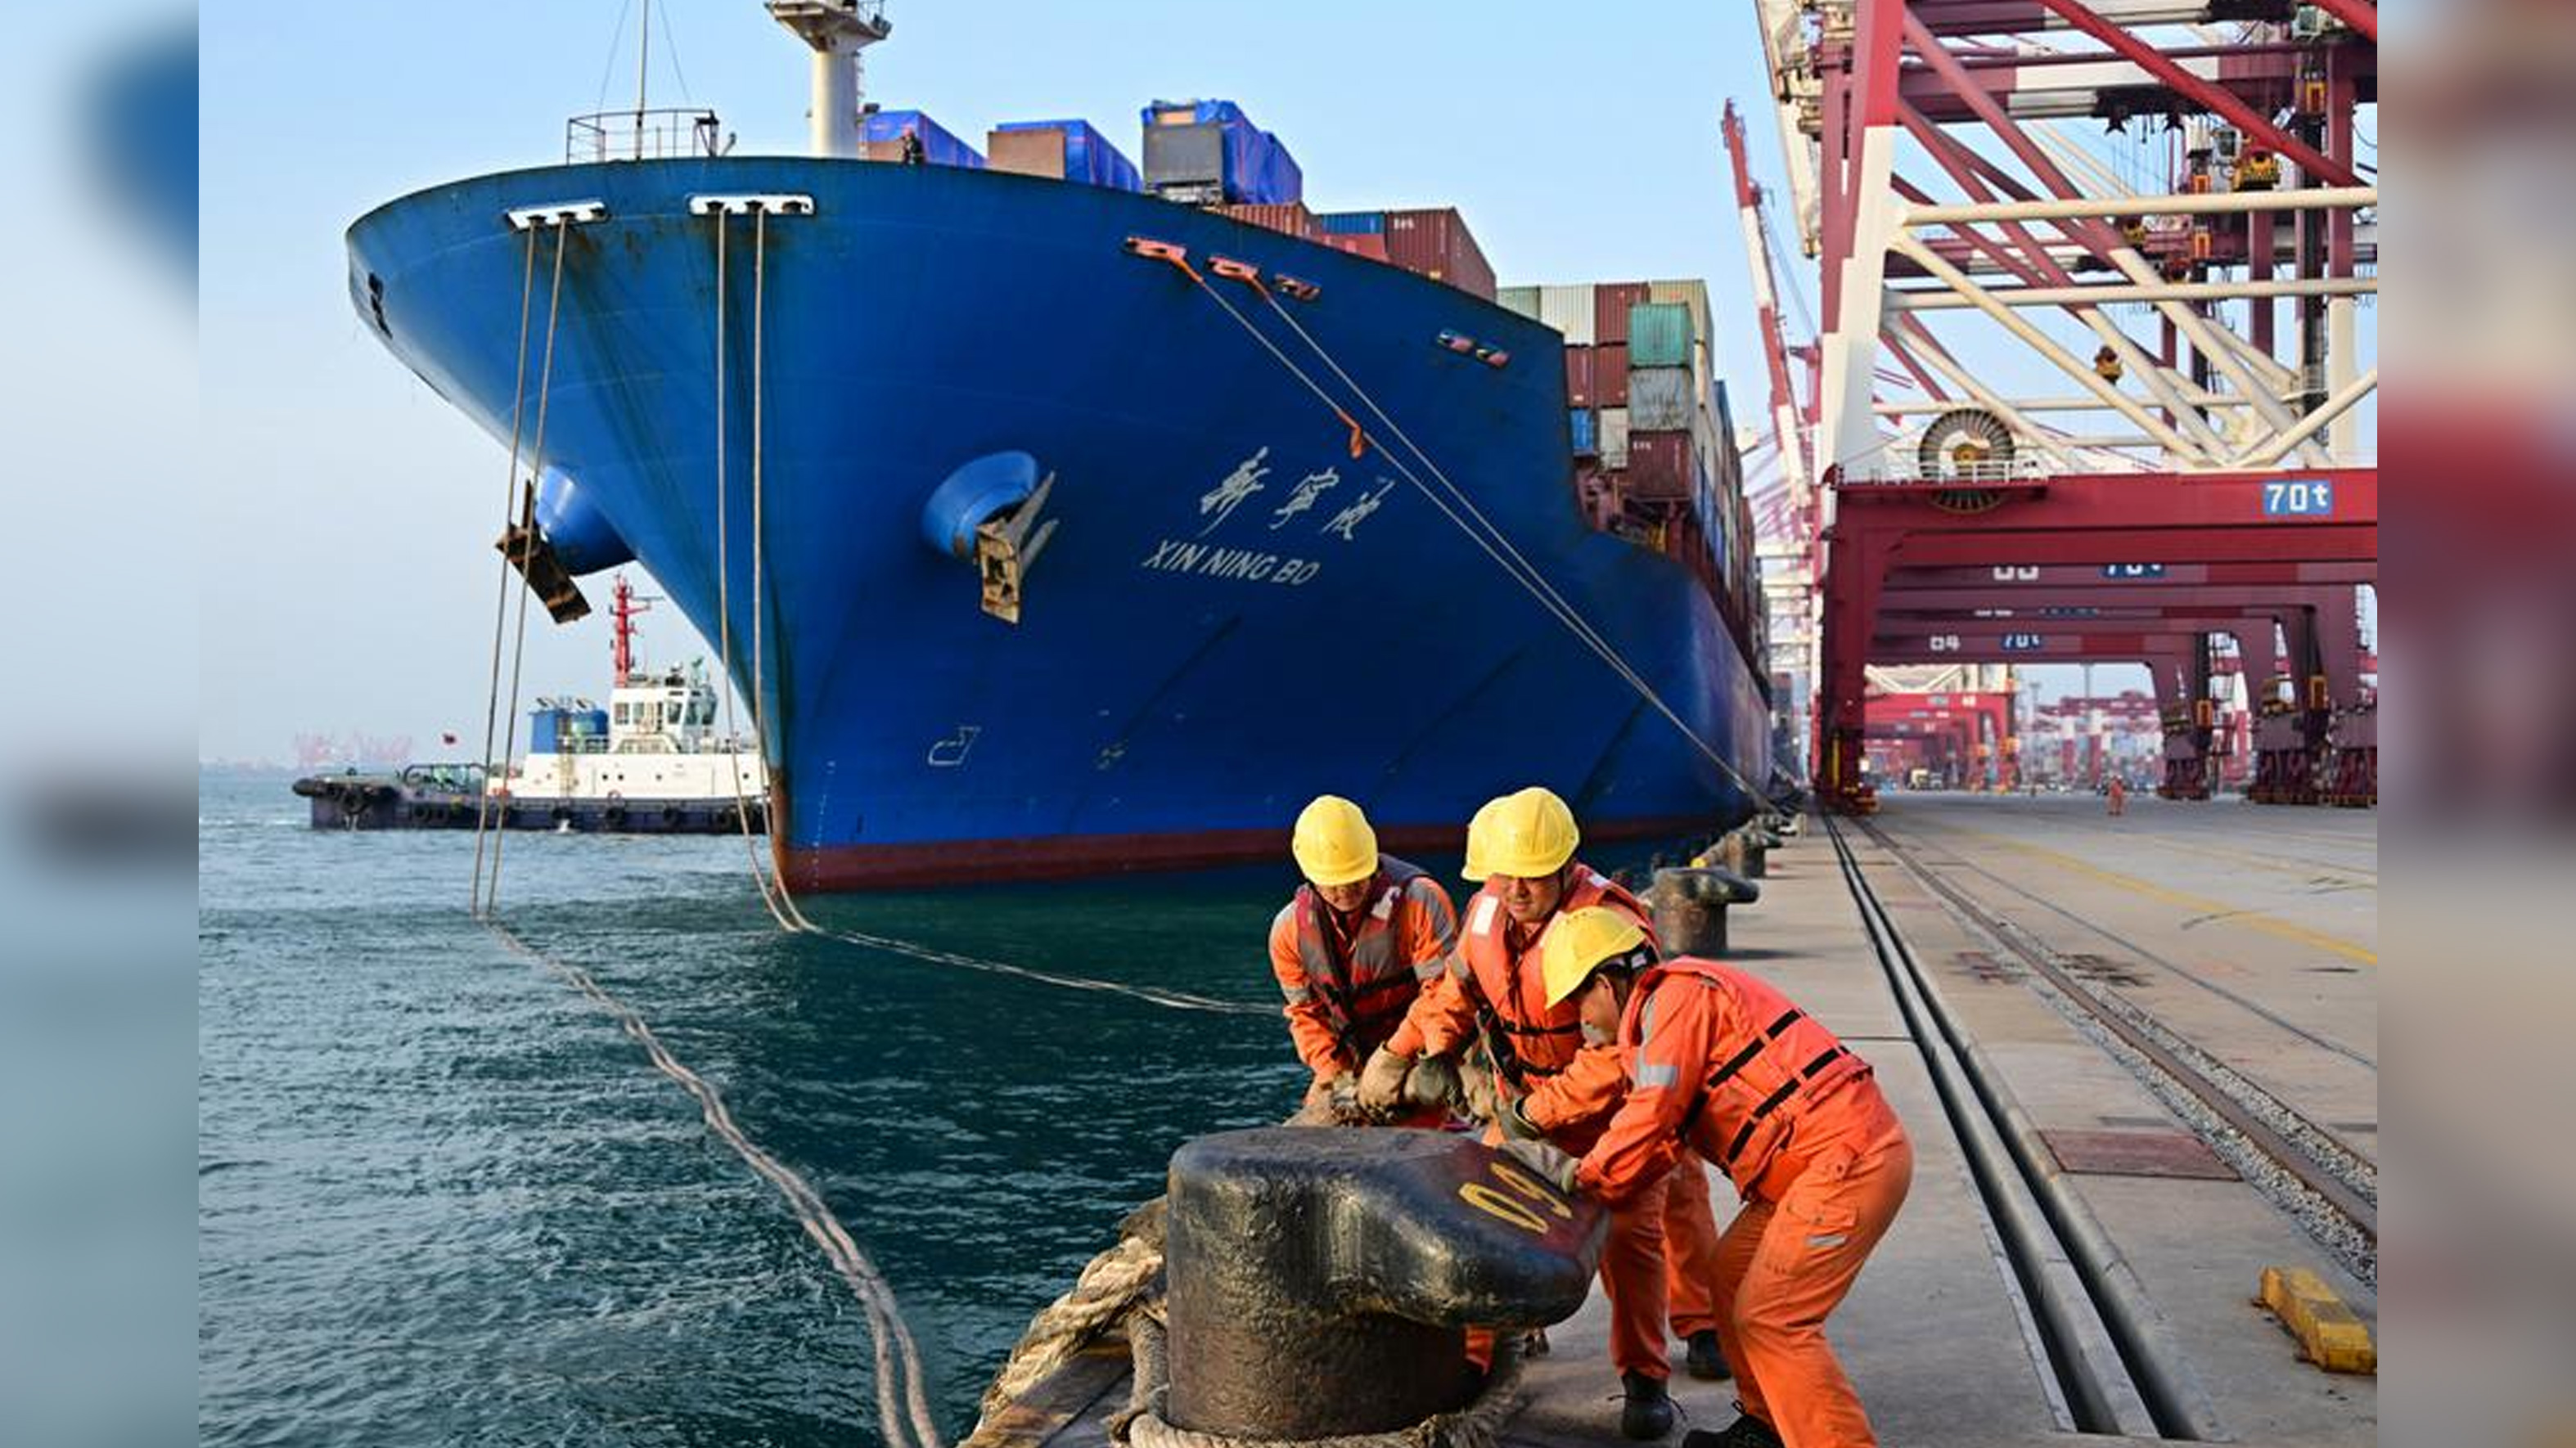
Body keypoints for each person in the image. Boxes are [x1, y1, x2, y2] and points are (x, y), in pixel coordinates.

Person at [1358, 786, 1723, 1438]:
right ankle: (1479, 1355)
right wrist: (1403, 1051)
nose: (1518, 890)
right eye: (1507, 875)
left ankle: (1651, 1373)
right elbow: (1455, 992)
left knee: (1637, 1238)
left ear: (1564, 867)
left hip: (1615, 1112)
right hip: (1527, 1100)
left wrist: (1537, 1110)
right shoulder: (1486, 913)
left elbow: (1618, 1054)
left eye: (1533, 875)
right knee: (1483, 1215)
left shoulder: (1611, 926)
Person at [1517, 908, 1913, 1448]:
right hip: (1803, 1174)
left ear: (1606, 985)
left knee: (1773, 1318)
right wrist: (1584, 1176)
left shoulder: (1677, 1000)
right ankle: (1767, 1426)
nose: (1578, 1019)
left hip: (1846, 1163)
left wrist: (1581, 1176)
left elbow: (1650, 1114)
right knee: (1726, 1278)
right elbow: (1661, 1145)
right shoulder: (1658, 1028)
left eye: (1577, 1001)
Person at [1268, 795, 1458, 1120]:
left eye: (1355, 877)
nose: (1345, 890)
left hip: (1424, 1056)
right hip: (1351, 1064)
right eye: (1332, 884)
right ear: (1310, 876)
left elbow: (1444, 996)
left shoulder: (1422, 901)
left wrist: (1394, 1057)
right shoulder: (1288, 931)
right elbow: (1305, 1014)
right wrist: (1330, 1073)